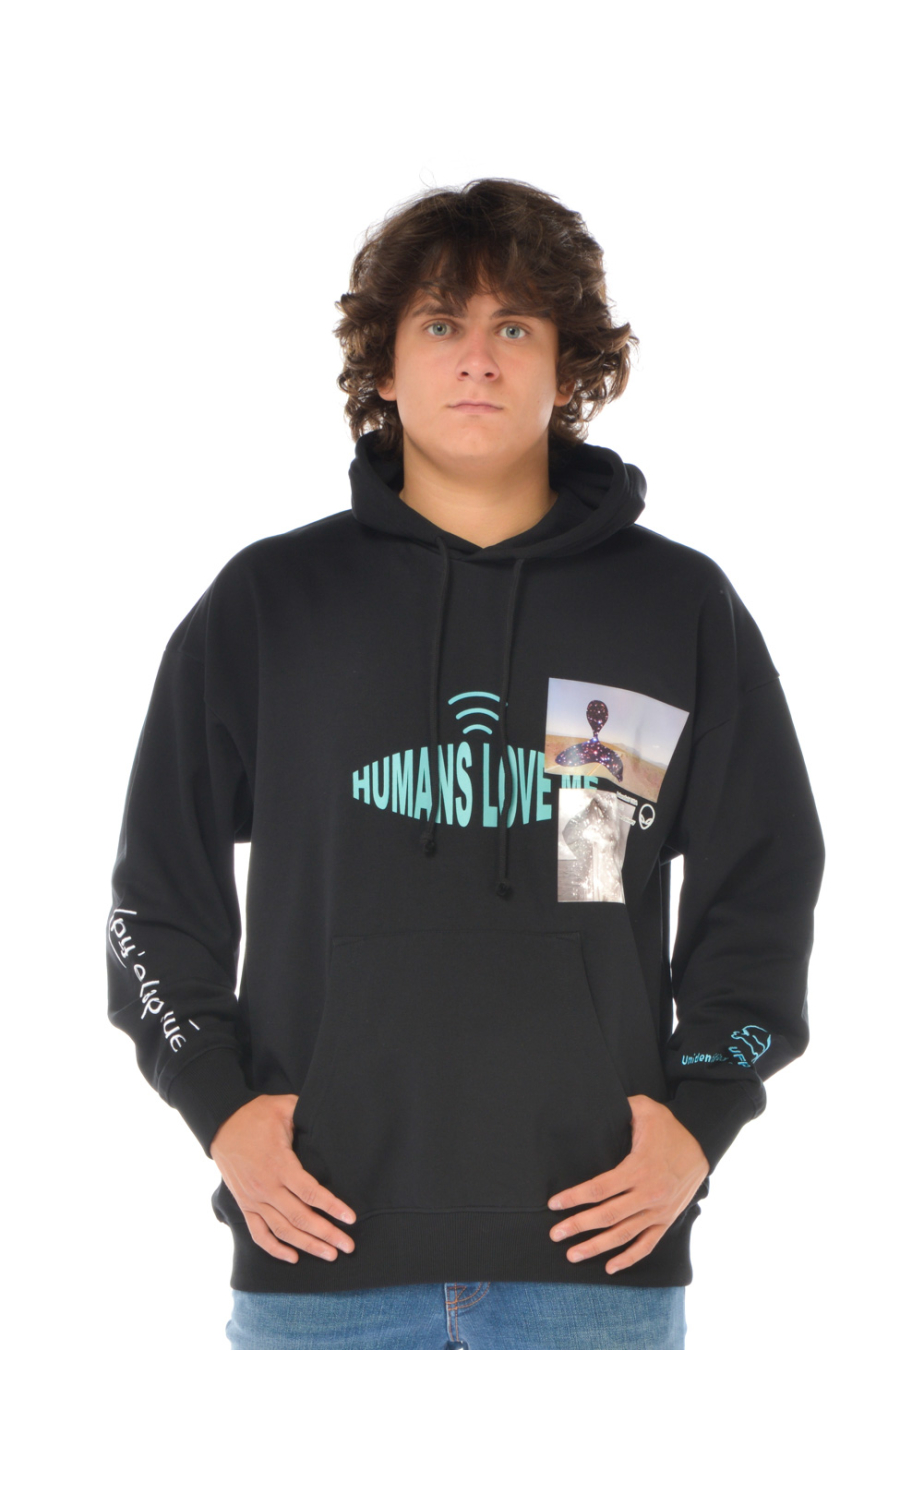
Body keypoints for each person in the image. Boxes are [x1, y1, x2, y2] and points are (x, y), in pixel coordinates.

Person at [106, 177, 825, 1350]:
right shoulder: (272, 603)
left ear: (567, 367)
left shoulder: (672, 606)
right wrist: (218, 1108)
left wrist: (703, 1114)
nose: (478, 359)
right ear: (385, 369)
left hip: (597, 1266)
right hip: (316, 1259)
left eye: (515, 327)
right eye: (441, 324)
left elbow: (764, 882)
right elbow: (155, 897)